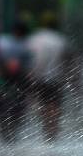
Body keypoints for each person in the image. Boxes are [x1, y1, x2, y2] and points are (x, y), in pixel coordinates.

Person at [27, 13, 70, 141]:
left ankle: (46, 128)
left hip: (39, 78)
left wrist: (31, 75)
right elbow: (67, 60)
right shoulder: (60, 39)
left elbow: (30, 59)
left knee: (43, 104)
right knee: (55, 105)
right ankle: (53, 129)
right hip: (56, 78)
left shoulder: (34, 39)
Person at [0, 20, 32, 142]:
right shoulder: (23, 45)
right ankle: (10, 135)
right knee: (14, 108)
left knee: (3, 108)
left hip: (4, 80)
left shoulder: (2, 41)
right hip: (14, 81)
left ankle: (5, 135)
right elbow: (28, 69)